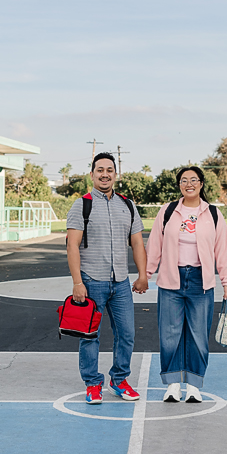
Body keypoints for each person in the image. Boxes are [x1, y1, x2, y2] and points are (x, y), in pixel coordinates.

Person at [66, 152, 149, 405]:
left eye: (109, 170)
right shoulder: (82, 204)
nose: (105, 174)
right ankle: (92, 384)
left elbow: (136, 243)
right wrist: (78, 282)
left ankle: (119, 380)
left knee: (126, 334)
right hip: (91, 281)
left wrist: (143, 275)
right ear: (92, 174)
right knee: (90, 335)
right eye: (99, 170)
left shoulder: (127, 205)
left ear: (116, 174)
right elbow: (72, 246)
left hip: (121, 282)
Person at [146, 166, 227, 403]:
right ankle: (173, 385)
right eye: (184, 180)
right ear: (179, 186)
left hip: (200, 282)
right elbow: (155, 244)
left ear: (201, 184)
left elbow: (222, 249)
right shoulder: (168, 211)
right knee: (170, 334)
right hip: (171, 281)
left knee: (198, 335)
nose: (189, 184)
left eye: (194, 179)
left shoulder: (213, 213)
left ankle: (194, 386)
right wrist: (146, 273)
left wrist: (226, 280)